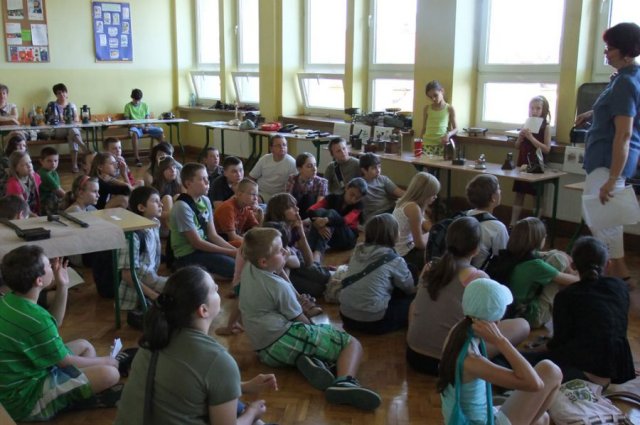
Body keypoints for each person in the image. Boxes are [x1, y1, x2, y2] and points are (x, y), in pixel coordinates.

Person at [238, 227, 382, 410]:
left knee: (319, 343)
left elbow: (275, 278)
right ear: (264, 261)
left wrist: (280, 265)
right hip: (281, 339)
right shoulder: (278, 287)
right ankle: (344, 383)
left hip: (265, 352)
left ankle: (311, 360)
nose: (286, 252)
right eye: (280, 251)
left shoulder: (250, 267)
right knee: (351, 344)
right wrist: (316, 329)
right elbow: (300, 319)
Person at [115, 266, 277, 425]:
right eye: (213, 289)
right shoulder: (219, 361)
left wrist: (244, 387)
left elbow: (188, 385)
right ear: (203, 310)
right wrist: (252, 412)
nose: (218, 288)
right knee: (250, 415)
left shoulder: (153, 340)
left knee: (235, 406)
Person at [0, 245, 121, 422]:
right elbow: (65, 361)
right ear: (39, 281)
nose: (53, 266)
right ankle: (66, 400)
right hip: (25, 400)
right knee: (111, 373)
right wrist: (106, 360)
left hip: (25, 377)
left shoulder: (10, 299)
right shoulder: (36, 318)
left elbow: (53, 325)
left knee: (85, 346)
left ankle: (74, 394)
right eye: (49, 265)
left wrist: (63, 286)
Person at [406, 216, 529, 376]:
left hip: (414, 355)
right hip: (449, 363)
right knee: (522, 325)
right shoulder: (477, 277)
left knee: (414, 303)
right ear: (476, 249)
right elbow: (490, 323)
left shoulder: (430, 267)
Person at [439, 278, 561, 425]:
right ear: (496, 322)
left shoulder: (458, 331)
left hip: (478, 415)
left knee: (543, 418)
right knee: (551, 370)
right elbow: (535, 384)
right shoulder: (471, 360)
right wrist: (501, 341)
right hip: (478, 422)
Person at [575, 22, 640, 286]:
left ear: (627, 51)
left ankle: (613, 277)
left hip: (608, 162)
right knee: (605, 219)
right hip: (605, 160)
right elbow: (618, 110)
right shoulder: (626, 77)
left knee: (600, 218)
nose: (606, 52)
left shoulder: (625, 82)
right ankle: (618, 274)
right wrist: (591, 113)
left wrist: (612, 179)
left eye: (611, 48)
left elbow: (623, 134)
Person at [523, 236, 635, 386]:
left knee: (514, 361)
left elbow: (559, 343)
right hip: (617, 369)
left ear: (573, 266)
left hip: (582, 370)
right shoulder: (620, 287)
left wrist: (537, 349)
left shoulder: (566, 295)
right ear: (608, 264)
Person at [339, 213, 415, 334]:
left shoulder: (357, 250)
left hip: (346, 316)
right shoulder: (395, 260)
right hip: (373, 321)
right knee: (413, 301)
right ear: (392, 234)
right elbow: (409, 289)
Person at [497, 217, 579, 328]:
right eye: (544, 236)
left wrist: (558, 253)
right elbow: (574, 281)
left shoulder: (510, 253)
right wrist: (576, 271)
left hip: (508, 310)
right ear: (538, 239)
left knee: (556, 255)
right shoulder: (536, 266)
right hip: (528, 316)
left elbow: (541, 254)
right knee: (558, 259)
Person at [169, 163, 236, 278]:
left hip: (203, 248)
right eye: (202, 179)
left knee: (239, 260)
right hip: (187, 254)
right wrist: (230, 252)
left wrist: (236, 251)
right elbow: (196, 243)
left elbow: (212, 235)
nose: (207, 182)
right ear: (188, 183)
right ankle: (190, 272)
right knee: (234, 267)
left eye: (207, 178)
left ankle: (202, 273)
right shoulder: (182, 206)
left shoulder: (205, 200)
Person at [263, 193, 332, 299]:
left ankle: (330, 275)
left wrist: (301, 232)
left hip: (293, 262)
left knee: (323, 276)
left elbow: (309, 261)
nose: (297, 209)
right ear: (280, 211)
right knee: (318, 289)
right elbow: (282, 267)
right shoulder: (274, 232)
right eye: (291, 207)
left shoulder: (293, 227)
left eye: (295, 205)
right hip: (279, 272)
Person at [117, 186, 168, 311]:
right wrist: (153, 295)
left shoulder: (154, 224)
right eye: (155, 201)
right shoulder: (132, 235)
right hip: (137, 292)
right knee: (185, 288)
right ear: (141, 208)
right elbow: (127, 275)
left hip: (151, 279)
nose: (161, 204)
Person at [509, 95, 552, 227]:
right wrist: (520, 138)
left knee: (536, 196)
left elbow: (546, 149)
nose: (534, 111)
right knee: (519, 193)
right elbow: (517, 146)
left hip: (536, 164)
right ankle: (512, 223)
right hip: (522, 163)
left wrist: (531, 138)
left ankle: (535, 225)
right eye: (532, 108)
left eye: (538, 108)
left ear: (543, 110)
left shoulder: (546, 127)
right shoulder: (525, 124)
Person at [307, 177, 367, 263]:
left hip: (347, 239)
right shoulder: (332, 197)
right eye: (352, 194)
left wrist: (327, 220)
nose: (353, 199)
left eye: (357, 198)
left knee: (332, 213)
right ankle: (308, 250)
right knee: (321, 211)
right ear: (347, 188)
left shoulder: (359, 206)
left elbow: (345, 221)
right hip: (330, 235)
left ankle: (318, 252)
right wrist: (317, 224)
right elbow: (311, 210)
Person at [392, 171, 440, 280]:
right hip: (404, 254)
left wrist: (433, 230)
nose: (436, 197)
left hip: (397, 249)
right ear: (425, 195)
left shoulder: (404, 201)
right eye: (433, 194)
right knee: (438, 255)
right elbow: (420, 244)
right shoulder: (414, 208)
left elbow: (424, 222)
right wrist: (433, 234)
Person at [465, 174, 508, 269]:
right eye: (498, 189)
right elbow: (503, 258)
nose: (500, 191)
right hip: (481, 273)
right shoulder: (498, 228)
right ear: (493, 197)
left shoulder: (463, 216)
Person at [45, 83, 90, 173]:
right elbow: (49, 119)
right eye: (59, 93)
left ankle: (74, 165)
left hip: (71, 131)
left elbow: (76, 119)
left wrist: (68, 121)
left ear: (67, 93)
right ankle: (83, 147)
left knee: (71, 135)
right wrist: (63, 120)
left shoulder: (71, 105)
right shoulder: (52, 105)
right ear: (56, 95)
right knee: (72, 131)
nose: (62, 94)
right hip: (58, 131)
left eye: (63, 92)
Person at [214, 178, 263, 248]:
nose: (256, 198)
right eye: (253, 194)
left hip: (236, 238)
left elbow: (255, 229)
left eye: (257, 195)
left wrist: (260, 212)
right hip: (222, 242)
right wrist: (255, 243)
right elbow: (232, 237)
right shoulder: (228, 208)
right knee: (247, 245)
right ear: (239, 194)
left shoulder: (246, 207)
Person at [123, 88, 165, 167]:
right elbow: (127, 121)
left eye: (139, 100)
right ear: (132, 98)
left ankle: (162, 155)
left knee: (160, 132)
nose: (137, 102)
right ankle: (137, 159)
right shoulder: (128, 106)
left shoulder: (145, 105)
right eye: (135, 100)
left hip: (145, 126)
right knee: (134, 134)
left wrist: (147, 125)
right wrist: (138, 125)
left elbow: (147, 118)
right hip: (135, 127)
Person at [249, 135, 296, 202]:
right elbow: (252, 177)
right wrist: (251, 192)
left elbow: (295, 185)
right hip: (261, 192)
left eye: (284, 145)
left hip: (278, 197)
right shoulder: (265, 159)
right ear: (271, 149)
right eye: (278, 145)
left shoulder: (292, 162)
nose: (282, 147)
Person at [358, 153, 404, 221]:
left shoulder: (382, 179)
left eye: (379, 167)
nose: (378, 170)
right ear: (364, 170)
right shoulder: (359, 184)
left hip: (390, 209)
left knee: (410, 209)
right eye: (374, 168)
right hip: (375, 216)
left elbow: (400, 193)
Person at [419, 80, 458, 157]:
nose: (433, 99)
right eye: (430, 97)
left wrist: (448, 134)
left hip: (441, 144)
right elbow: (424, 128)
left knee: (438, 164)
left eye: (435, 95)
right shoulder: (427, 108)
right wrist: (419, 143)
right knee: (425, 163)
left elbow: (456, 129)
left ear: (442, 91)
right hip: (427, 144)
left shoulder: (449, 108)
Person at [286, 152, 328, 219]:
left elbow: (319, 206)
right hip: (294, 212)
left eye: (315, 165)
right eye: (309, 166)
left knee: (309, 197)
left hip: (311, 215)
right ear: (299, 169)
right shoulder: (292, 178)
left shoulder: (322, 182)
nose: (314, 169)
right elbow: (288, 200)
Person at [152, 156, 182, 236]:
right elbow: (153, 213)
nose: (173, 170)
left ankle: (178, 231)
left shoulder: (179, 184)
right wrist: (172, 213)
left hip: (175, 223)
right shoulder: (155, 187)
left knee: (178, 196)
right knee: (167, 198)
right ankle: (173, 232)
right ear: (162, 171)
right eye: (169, 168)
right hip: (162, 226)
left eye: (174, 167)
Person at [5, 150, 41, 216]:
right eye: (24, 164)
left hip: (34, 211)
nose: (29, 166)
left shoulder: (36, 177)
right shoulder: (13, 184)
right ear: (15, 168)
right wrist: (37, 218)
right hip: (19, 215)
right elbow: (23, 208)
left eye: (30, 162)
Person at [37, 146, 66, 215]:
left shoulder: (54, 172)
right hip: (44, 202)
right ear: (41, 161)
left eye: (55, 161)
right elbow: (59, 192)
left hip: (53, 197)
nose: (53, 164)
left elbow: (59, 188)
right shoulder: (43, 174)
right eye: (49, 161)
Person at [0, 131, 27, 197]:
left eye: (24, 145)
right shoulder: (5, 160)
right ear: (12, 146)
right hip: (5, 188)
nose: (22, 148)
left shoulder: (24, 157)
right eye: (19, 145)